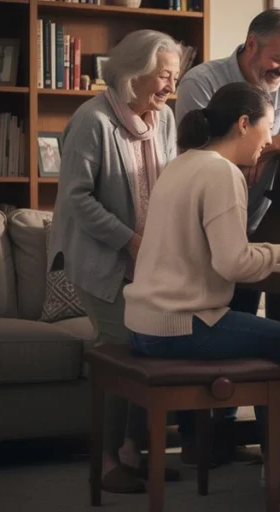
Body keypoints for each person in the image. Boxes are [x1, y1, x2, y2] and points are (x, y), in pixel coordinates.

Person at [122, 81, 280, 510]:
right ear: (244, 123)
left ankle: (277, 466)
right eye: (267, 127)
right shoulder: (222, 173)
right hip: (183, 324)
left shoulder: (182, 164)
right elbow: (234, 265)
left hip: (145, 322)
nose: (267, 140)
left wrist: (275, 252)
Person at [173, 8, 280, 457]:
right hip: (212, 235)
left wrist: (276, 149)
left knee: (242, 331)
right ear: (250, 45)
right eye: (279, 59)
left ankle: (228, 436)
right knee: (259, 334)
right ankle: (209, 443)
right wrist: (276, 143)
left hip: (258, 219)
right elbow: (198, 148)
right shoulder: (202, 84)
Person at [47, 29, 182, 493]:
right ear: (133, 72)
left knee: (149, 347)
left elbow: (170, 181)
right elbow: (77, 198)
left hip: (149, 259)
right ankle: (105, 463)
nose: (171, 86)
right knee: (121, 346)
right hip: (100, 257)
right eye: (164, 75)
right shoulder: (93, 120)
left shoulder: (164, 118)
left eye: (175, 76)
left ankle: (130, 453)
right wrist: (130, 240)